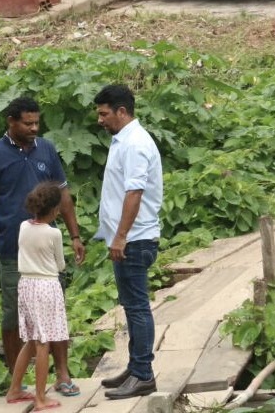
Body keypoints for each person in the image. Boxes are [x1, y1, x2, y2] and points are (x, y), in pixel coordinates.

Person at [0, 96, 86, 397]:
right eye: (27, 123)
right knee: (12, 317)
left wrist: (74, 235)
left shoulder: (46, 148)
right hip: (12, 251)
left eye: (37, 122)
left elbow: (63, 194)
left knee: (55, 314)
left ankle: (62, 374)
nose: (34, 128)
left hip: (46, 251)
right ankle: (16, 381)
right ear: (11, 121)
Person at [93, 84, 164, 400]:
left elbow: (134, 193)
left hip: (134, 239)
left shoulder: (135, 143)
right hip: (127, 239)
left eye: (104, 114)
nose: (100, 120)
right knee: (131, 305)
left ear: (122, 111)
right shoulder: (123, 140)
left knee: (137, 307)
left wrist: (121, 236)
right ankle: (136, 368)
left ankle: (144, 374)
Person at [3, 181, 72, 410]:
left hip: (26, 285)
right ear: (54, 210)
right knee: (44, 343)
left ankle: (15, 389)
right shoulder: (54, 233)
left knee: (32, 340)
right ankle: (41, 398)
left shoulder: (24, 226)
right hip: (45, 287)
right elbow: (60, 264)